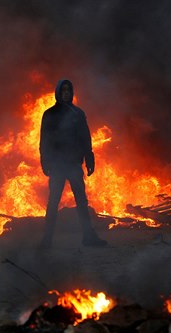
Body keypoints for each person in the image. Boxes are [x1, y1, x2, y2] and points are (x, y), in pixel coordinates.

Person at [38, 79, 107, 248]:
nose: (66, 92)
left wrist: (89, 157)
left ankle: (88, 237)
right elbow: (44, 140)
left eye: (69, 90)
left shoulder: (78, 113)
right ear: (58, 93)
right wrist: (45, 160)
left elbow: (85, 137)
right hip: (57, 165)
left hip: (74, 164)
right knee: (53, 202)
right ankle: (47, 240)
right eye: (64, 90)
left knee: (82, 201)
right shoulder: (50, 114)